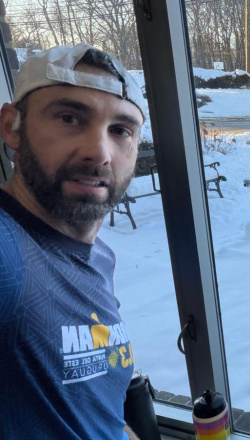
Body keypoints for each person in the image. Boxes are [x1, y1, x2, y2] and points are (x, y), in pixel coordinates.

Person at [0, 44, 145, 440]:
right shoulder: (8, 255)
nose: (99, 153)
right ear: (12, 126)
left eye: (120, 130)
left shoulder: (99, 257)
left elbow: (95, 406)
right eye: (69, 118)